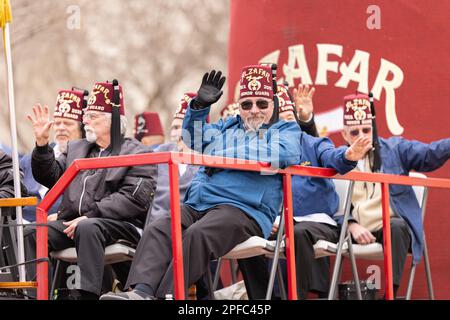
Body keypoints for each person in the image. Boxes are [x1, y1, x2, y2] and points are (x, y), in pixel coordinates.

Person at [100, 64, 303, 300]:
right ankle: (140, 291)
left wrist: (222, 154)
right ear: (239, 107)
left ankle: (167, 296)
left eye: (262, 103)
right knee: (162, 225)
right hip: (201, 204)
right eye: (246, 104)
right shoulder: (228, 126)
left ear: (274, 105)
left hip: (244, 209)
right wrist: (198, 108)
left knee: (198, 234)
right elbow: (193, 139)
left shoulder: (285, 129)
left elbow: (283, 153)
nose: (254, 110)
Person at [24, 80, 158, 300]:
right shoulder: (78, 148)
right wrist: (41, 145)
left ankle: (88, 295)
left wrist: (90, 214)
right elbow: (52, 177)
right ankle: (36, 295)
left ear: (113, 121)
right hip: (75, 223)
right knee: (33, 232)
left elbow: (133, 199)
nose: (85, 121)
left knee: (87, 227)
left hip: (121, 225)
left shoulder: (139, 152)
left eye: (92, 117)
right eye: (86, 116)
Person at [238, 84, 371, 299]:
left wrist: (348, 155)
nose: (287, 123)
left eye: (291, 117)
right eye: (281, 118)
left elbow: (333, 157)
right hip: (277, 222)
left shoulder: (312, 142)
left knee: (296, 233)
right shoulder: (262, 149)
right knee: (242, 229)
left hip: (317, 224)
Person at [338, 93, 450, 297]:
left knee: (397, 226)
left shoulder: (395, 149)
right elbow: (329, 204)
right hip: (352, 229)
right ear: (344, 135)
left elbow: (429, 154)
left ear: (374, 129)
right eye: (355, 132)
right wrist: (351, 224)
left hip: (389, 228)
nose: (362, 136)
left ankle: (391, 294)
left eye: (366, 130)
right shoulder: (338, 158)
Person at [20, 88, 87, 222]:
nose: (61, 128)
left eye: (68, 123)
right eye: (57, 123)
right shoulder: (31, 158)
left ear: (82, 129)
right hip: (20, 227)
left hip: (60, 228)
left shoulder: (87, 160)